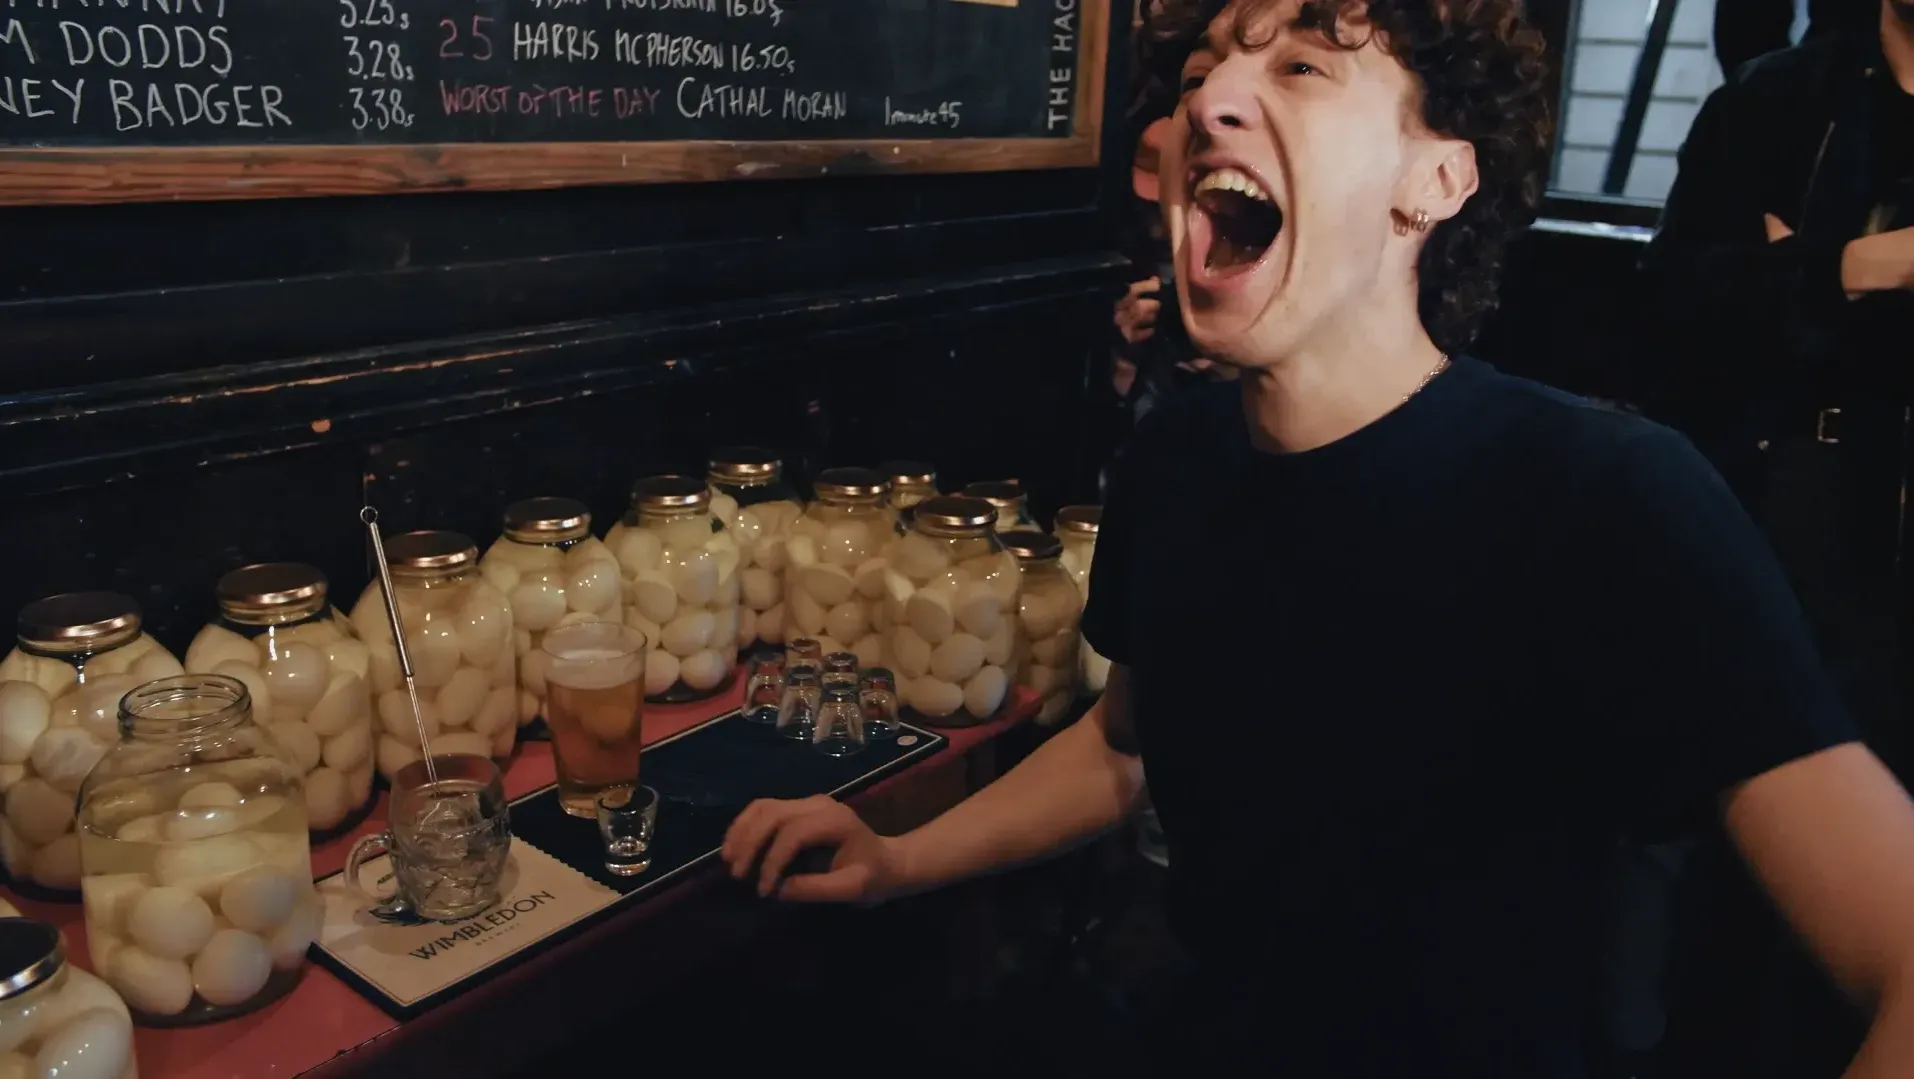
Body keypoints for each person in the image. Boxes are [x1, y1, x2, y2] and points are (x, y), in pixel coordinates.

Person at [725, 2, 1914, 1074]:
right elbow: (1124, 748)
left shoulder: (1607, 494)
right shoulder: (1177, 460)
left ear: (1436, 178)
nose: (1210, 104)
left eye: (1301, 66)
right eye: (1203, 73)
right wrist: (901, 856)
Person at [1643, 1, 1914, 1074]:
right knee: (1743, 886)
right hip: (1794, 517)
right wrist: (1868, 263)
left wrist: (1800, 268)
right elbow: (1672, 305)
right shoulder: (1778, 101)